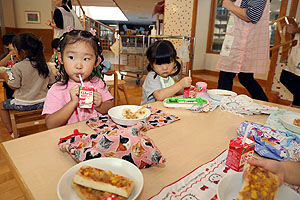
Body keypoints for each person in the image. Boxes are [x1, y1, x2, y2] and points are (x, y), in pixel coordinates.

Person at [42, 30, 114, 129]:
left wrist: (99, 105)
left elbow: (110, 107)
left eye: (86, 59)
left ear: (96, 62)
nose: (79, 66)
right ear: (61, 58)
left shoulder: (97, 83)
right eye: (71, 57)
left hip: (96, 136)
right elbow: (50, 124)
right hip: (69, 138)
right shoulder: (57, 90)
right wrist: (72, 103)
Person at [0, 33, 55, 138]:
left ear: (23, 52)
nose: (14, 52)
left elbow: (13, 85)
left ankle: (12, 132)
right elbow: (52, 83)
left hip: (24, 103)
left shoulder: (17, 67)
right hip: (44, 101)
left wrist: (4, 75)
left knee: (1, 106)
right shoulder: (45, 65)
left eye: (15, 49)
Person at [216, 0, 269, 102]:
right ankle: (265, 104)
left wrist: (230, 6)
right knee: (245, 77)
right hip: (238, 40)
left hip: (242, 43)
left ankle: (222, 106)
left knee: (226, 76)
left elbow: (252, 16)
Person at [141, 40, 192, 105]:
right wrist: (180, 84)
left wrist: (186, 88)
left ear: (174, 61)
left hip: (165, 108)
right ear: (151, 64)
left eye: (168, 63)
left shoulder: (168, 77)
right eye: (159, 64)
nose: (165, 68)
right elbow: (159, 96)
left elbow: (175, 90)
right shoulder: (152, 77)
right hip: (151, 110)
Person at [279, 17, 300, 108]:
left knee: (285, 77)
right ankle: (296, 104)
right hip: (296, 54)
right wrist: (294, 30)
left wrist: (295, 29)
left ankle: (297, 103)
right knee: (295, 79)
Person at [0, 33, 16, 99]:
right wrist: (10, 54)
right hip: (9, 80)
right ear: (6, 46)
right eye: (13, 44)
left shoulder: (21, 55)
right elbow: (1, 64)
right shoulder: (5, 56)